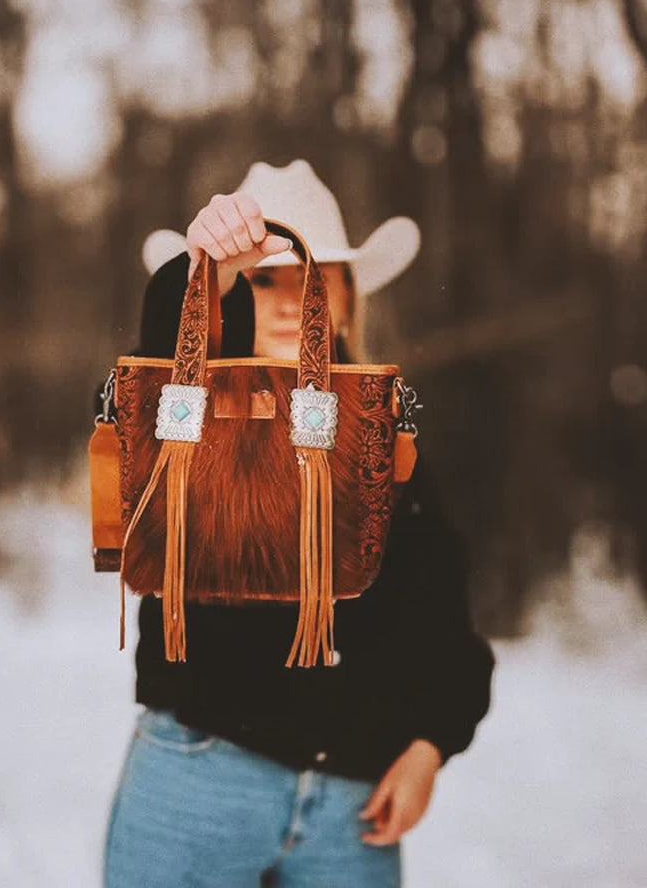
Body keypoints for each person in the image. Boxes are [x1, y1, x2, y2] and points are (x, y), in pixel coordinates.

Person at [102, 160, 494, 888]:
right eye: (264, 280)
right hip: (202, 781)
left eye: (313, 277)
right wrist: (208, 274)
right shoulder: (189, 422)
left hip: (351, 806)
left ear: (346, 296)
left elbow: (443, 620)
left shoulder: (383, 441)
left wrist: (430, 745)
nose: (291, 301)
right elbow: (164, 351)